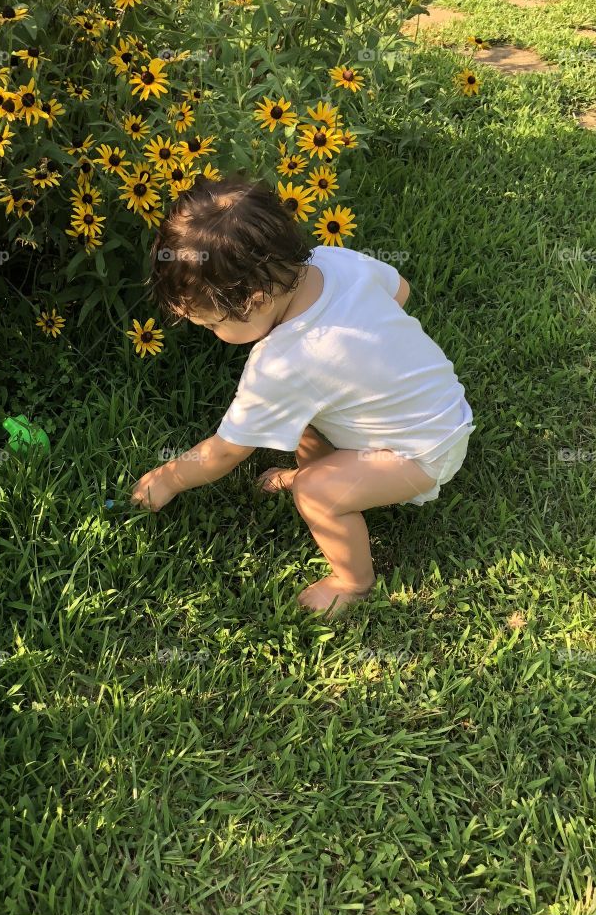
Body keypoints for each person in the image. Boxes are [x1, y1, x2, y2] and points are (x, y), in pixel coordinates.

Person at [130, 176, 475, 618]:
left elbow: (225, 453)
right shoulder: (331, 262)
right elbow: (400, 290)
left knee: (315, 493)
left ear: (255, 299)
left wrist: (169, 479)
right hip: (445, 408)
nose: (213, 334)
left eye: (213, 325)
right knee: (304, 422)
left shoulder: (282, 364)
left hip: (422, 455)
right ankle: (333, 469)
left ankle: (352, 582)